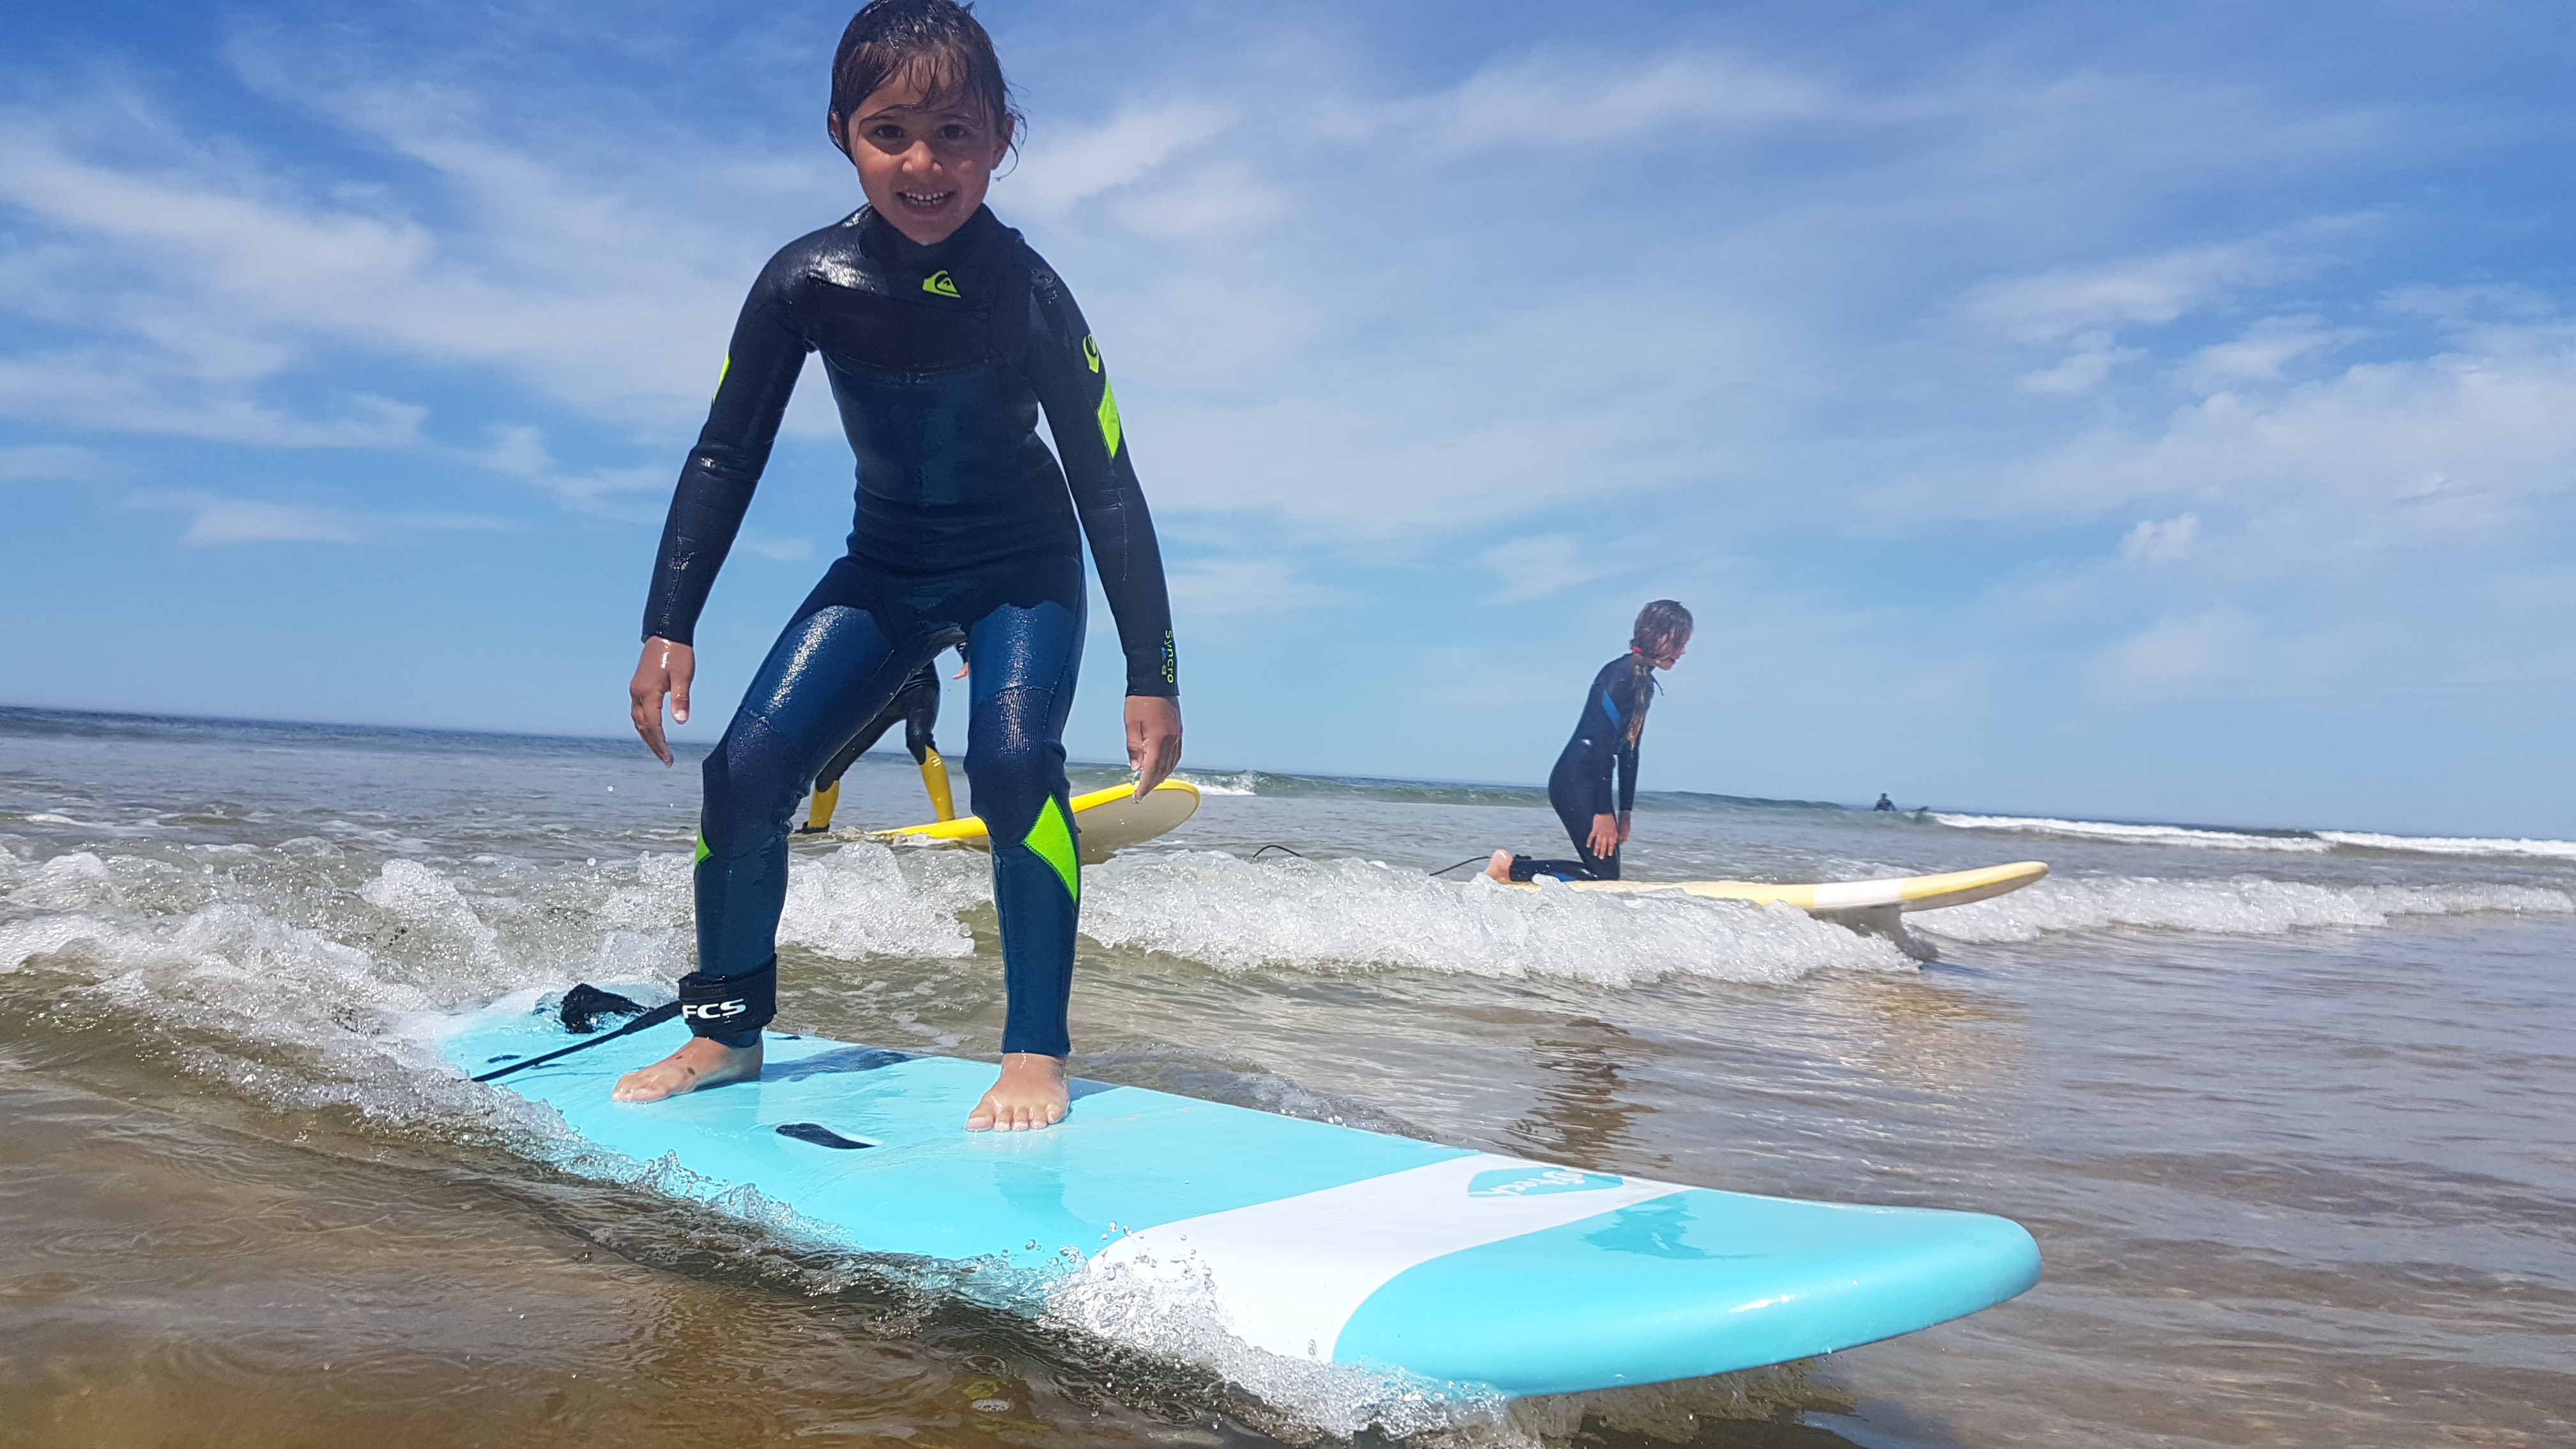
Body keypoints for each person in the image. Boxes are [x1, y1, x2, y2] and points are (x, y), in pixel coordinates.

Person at [620, 0, 1182, 1130]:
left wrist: (1151, 667)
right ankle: (725, 1033)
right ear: (841, 132)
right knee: (743, 772)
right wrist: (668, 620)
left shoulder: (1027, 291)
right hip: (883, 565)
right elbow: (727, 448)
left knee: (1016, 761)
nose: (923, 162)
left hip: (1020, 565)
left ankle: (1034, 1053)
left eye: (954, 133)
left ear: (1000, 138)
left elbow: (1107, 481)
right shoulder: (805, 282)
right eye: (890, 131)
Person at [1484, 602, 1693, 884]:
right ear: (1655, 634)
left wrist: (1626, 811)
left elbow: (1630, 751)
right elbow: (1602, 750)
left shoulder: (1644, 683)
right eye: (1679, 642)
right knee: (1604, 878)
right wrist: (1603, 812)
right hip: (1574, 781)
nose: (1682, 651)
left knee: (1607, 876)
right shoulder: (1619, 676)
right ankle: (1508, 870)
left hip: (1590, 782)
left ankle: (1517, 872)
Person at [795, 652, 959, 833]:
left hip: (919, 685)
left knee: (918, 738)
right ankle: (815, 829)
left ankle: (947, 822)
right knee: (833, 762)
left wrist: (967, 656)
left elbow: (956, 628)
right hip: (881, 696)